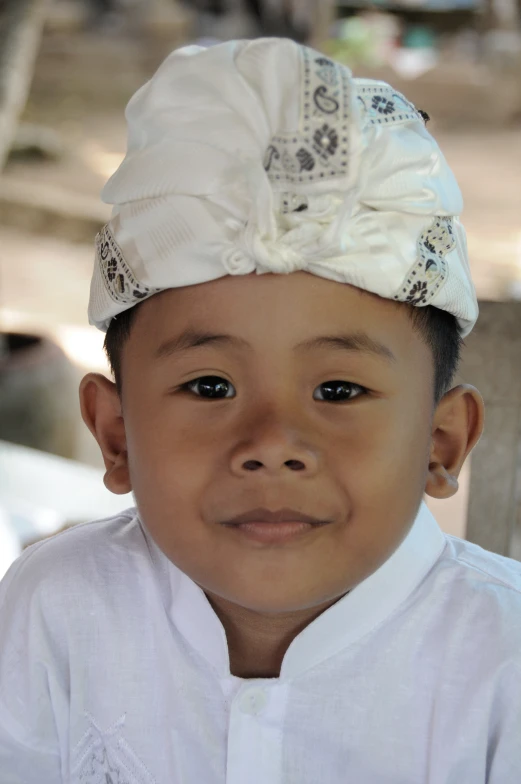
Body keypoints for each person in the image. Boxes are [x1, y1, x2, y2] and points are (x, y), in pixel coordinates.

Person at [0, 38, 520, 783]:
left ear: (439, 443)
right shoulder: (58, 609)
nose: (272, 444)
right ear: (115, 435)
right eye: (210, 386)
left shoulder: (502, 661)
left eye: (337, 391)